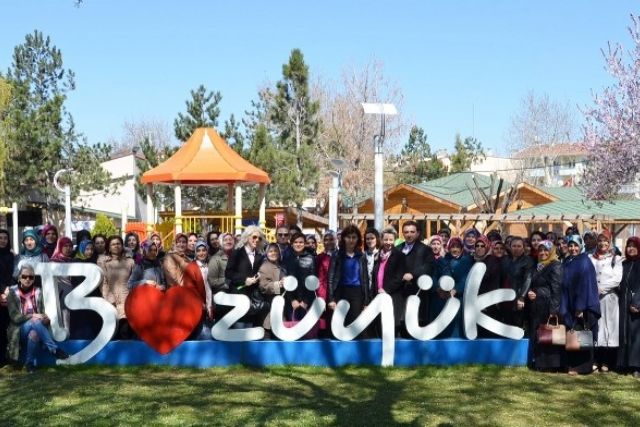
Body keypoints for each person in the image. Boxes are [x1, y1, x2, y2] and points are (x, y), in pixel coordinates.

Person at [6, 264, 69, 372]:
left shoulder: (38, 292)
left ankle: (29, 364)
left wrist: (45, 318)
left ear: (34, 279)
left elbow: (43, 312)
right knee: (34, 320)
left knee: (34, 334)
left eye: (31, 277)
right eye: (24, 276)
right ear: (19, 278)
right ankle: (54, 349)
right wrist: (32, 315)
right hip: (18, 330)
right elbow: (15, 317)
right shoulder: (12, 292)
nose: (27, 279)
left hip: (36, 327)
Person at [560, 235, 601, 375]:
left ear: (581, 246)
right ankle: (571, 365)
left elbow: (586, 285)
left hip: (582, 305)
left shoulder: (584, 261)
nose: (573, 248)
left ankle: (582, 367)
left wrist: (580, 307)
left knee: (582, 335)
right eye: (570, 245)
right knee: (572, 334)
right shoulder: (567, 261)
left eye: (576, 245)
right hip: (569, 303)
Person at [527, 240, 564, 371]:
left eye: (546, 250)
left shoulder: (556, 266)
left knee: (549, 334)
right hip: (537, 306)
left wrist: (553, 310)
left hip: (548, 306)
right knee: (540, 334)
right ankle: (539, 363)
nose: (542, 253)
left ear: (551, 251)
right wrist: (531, 292)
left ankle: (550, 365)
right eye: (540, 250)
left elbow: (556, 288)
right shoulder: (538, 266)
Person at [590, 231, 623, 372]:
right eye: (600, 240)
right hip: (594, 298)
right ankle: (595, 360)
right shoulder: (591, 258)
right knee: (597, 327)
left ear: (610, 242)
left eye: (606, 241)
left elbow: (617, 279)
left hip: (609, 298)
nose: (602, 243)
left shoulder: (616, 259)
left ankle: (607, 361)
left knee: (610, 328)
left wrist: (601, 288)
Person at [328, 224, 370, 327]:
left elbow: (365, 279)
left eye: (354, 237)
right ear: (343, 238)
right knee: (341, 322)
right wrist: (331, 299)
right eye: (348, 237)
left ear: (358, 239)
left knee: (355, 323)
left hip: (357, 293)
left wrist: (366, 301)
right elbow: (331, 278)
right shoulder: (337, 255)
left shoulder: (361, 256)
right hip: (341, 291)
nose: (351, 240)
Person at [431, 237, 473, 338]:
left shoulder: (467, 260)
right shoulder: (443, 260)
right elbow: (435, 275)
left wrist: (456, 289)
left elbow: (467, 278)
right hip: (443, 296)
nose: (455, 249)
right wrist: (438, 288)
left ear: (461, 248)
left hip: (458, 296)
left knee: (457, 325)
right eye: (453, 247)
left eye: (457, 247)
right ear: (449, 248)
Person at [225, 226, 266, 327]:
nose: (257, 240)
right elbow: (228, 273)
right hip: (239, 296)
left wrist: (259, 276)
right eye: (254, 237)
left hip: (253, 300)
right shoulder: (237, 252)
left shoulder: (260, 255)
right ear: (247, 237)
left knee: (251, 330)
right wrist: (244, 280)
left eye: (259, 238)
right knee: (240, 329)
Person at [97, 235, 135, 339]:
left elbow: (134, 281)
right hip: (111, 301)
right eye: (113, 244)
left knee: (125, 332)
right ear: (109, 247)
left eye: (118, 243)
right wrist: (108, 299)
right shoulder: (104, 262)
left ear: (122, 245)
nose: (116, 246)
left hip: (128, 300)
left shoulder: (130, 262)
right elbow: (103, 283)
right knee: (113, 334)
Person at [398, 221, 435, 327]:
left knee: (417, 323)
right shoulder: (398, 249)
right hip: (401, 292)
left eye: (412, 232)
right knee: (401, 323)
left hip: (418, 292)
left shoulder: (426, 249)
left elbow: (428, 267)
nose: (409, 235)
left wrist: (412, 274)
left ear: (418, 233)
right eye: (406, 232)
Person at [371, 227, 406, 334]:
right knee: (379, 326)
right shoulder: (377, 256)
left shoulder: (400, 256)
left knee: (391, 327)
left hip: (393, 296)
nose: (388, 242)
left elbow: (399, 277)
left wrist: (386, 289)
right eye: (386, 239)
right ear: (381, 240)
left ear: (394, 240)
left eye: (391, 239)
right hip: (378, 296)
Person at [618, 236, 640, 377]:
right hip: (624, 303)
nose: (631, 249)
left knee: (636, 336)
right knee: (625, 333)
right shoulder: (624, 264)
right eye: (629, 246)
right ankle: (624, 363)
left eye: (634, 246)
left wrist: (637, 302)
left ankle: (636, 366)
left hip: (635, 304)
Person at [473, 235, 504, 337]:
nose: (479, 248)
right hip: (475, 301)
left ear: (487, 247)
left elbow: (493, 281)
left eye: (482, 246)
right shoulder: (473, 260)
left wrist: (486, 301)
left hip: (489, 302)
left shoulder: (492, 261)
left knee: (488, 332)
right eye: (477, 245)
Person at [501, 236, 534, 329]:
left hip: (517, 296)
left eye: (519, 246)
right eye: (514, 246)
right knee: (506, 324)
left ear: (523, 247)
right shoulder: (505, 259)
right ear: (510, 247)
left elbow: (528, 279)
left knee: (517, 325)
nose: (516, 248)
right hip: (505, 296)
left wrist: (522, 297)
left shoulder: (527, 261)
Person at [283, 232, 316, 321]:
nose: (298, 244)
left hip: (306, 300)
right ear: (292, 244)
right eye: (296, 242)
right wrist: (292, 300)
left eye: (301, 242)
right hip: (291, 299)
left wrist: (305, 301)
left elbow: (313, 282)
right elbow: (285, 280)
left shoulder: (310, 258)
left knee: (306, 325)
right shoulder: (287, 258)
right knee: (292, 325)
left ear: (305, 244)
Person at [183, 240, 213, 340]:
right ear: (195, 252)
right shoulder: (191, 267)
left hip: (210, 303)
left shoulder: (210, 265)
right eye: (199, 250)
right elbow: (190, 288)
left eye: (203, 250)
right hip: (198, 307)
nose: (201, 253)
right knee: (204, 336)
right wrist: (200, 303)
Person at [258, 243, 285, 337]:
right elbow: (263, 286)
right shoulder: (264, 267)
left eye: (275, 251)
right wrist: (278, 284)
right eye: (270, 251)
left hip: (281, 306)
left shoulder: (281, 265)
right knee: (269, 334)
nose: (273, 253)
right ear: (266, 253)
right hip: (270, 306)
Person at [50, 237, 75, 331]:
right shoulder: (53, 262)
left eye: (70, 246)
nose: (68, 248)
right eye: (65, 246)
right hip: (59, 294)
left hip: (71, 293)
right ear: (60, 247)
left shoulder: (73, 261)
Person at [316, 230, 337, 337]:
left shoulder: (341, 255)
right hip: (324, 294)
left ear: (336, 240)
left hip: (339, 294)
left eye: (331, 239)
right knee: (326, 324)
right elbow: (319, 279)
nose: (329, 242)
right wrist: (323, 297)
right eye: (326, 240)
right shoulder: (320, 257)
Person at [0, 229, 14, 366]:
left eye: (5, 238)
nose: (3, 240)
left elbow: (13, 275)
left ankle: (7, 356)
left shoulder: (11, 256)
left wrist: (9, 289)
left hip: (10, 294)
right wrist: (2, 290)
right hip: (1, 293)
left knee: (8, 326)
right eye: (0, 238)